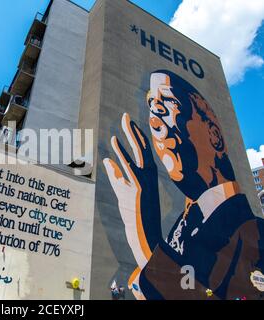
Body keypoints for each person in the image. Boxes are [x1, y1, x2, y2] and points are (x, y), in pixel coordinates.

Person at [103, 70, 264, 300]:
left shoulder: (255, 236)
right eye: (151, 106)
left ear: (214, 136)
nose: (154, 120)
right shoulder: (179, 230)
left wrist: (146, 243)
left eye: (167, 103)